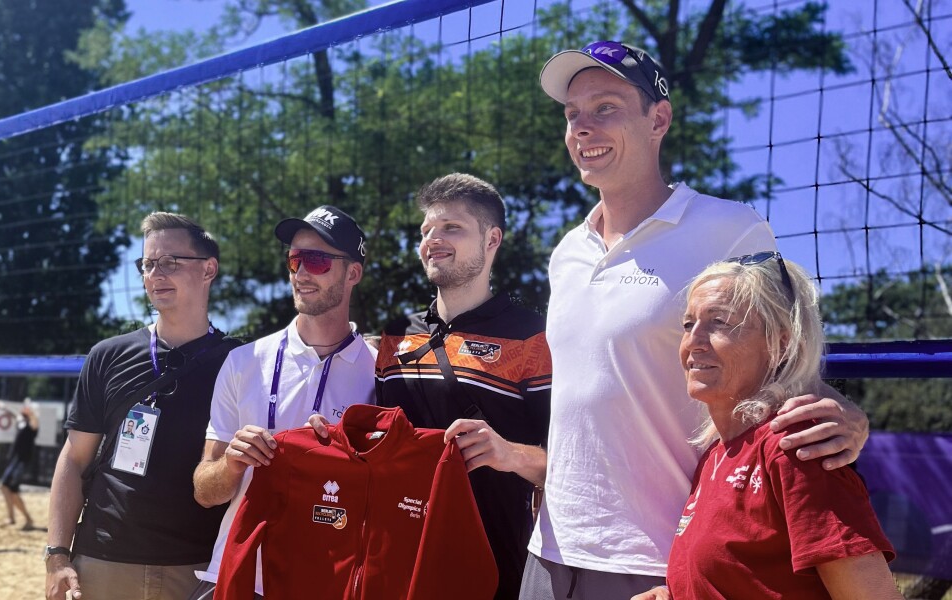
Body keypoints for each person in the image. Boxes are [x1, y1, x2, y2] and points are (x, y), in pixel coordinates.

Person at [521, 41, 872, 598]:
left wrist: (843, 413)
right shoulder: (567, 251)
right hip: (550, 549)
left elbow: (784, 359)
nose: (582, 127)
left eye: (605, 108)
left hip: (662, 555)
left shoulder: (729, 229)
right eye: (572, 115)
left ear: (658, 118)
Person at [309, 174, 552, 599]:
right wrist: (334, 441)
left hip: (492, 568)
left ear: (492, 239)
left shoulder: (535, 338)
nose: (433, 240)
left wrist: (510, 454)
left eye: (451, 228)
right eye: (426, 231)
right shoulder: (393, 336)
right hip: (396, 564)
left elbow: (569, 466)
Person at [631, 253, 900, 599]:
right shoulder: (715, 455)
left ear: (779, 343)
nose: (694, 340)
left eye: (720, 322)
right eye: (688, 324)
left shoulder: (795, 446)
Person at [45, 212, 240, 600]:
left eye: (170, 262)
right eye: (148, 264)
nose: (155, 274)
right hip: (102, 561)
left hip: (198, 568)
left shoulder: (242, 362)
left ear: (208, 269)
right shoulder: (107, 355)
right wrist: (57, 556)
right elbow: (74, 459)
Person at [190, 205, 375, 600]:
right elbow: (205, 491)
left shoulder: (381, 372)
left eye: (318, 260)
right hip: (239, 575)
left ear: (353, 273)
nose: (302, 272)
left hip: (330, 581)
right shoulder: (243, 361)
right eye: (295, 260)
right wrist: (232, 463)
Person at [0, 397, 39, 531]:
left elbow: (35, 423)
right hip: (15, 460)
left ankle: (28, 520)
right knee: (4, 487)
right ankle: (12, 518)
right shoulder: (21, 421)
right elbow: (14, 414)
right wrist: (2, 407)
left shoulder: (33, 424)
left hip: (22, 461)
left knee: (11, 490)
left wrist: (31, 412)